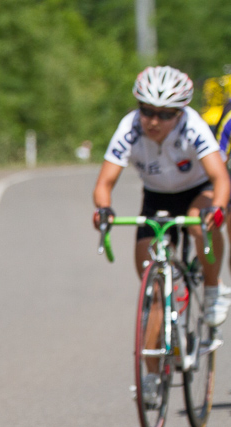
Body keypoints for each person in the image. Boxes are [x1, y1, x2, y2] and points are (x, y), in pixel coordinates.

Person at [93, 65, 230, 405]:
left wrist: (219, 208)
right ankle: (152, 376)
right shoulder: (130, 129)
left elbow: (220, 178)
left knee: (199, 223)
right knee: (152, 288)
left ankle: (213, 291)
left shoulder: (193, 126)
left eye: (164, 114)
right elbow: (104, 184)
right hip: (156, 197)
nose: (153, 121)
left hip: (197, 190)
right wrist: (104, 210)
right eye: (147, 111)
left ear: (179, 113)